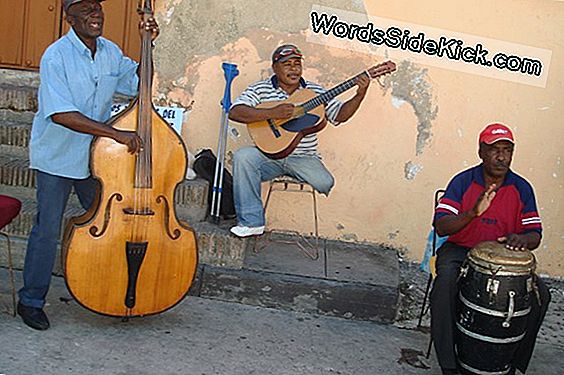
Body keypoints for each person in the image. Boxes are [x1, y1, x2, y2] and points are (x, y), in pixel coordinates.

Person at [17, 0, 159, 330]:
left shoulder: (110, 51)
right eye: (85, 10)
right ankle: (31, 301)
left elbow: (141, 84)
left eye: (97, 8)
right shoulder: (56, 55)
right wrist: (115, 133)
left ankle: (107, 292)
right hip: (57, 156)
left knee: (107, 226)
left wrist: (147, 45)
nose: (95, 15)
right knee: (47, 230)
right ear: (69, 18)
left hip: (96, 159)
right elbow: (61, 113)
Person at [228, 44, 385, 237]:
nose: (294, 69)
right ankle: (252, 222)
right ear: (275, 67)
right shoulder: (260, 89)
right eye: (287, 64)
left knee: (325, 183)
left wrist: (360, 94)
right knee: (243, 157)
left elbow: (340, 116)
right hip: (267, 156)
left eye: (297, 64)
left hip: (304, 158)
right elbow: (235, 111)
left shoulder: (315, 91)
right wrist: (271, 113)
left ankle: (294, 171)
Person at [431, 123, 551, 374]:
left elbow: (535, 235)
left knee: (541, 294)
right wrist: (473, 213)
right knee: (444, 286)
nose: (501, 156)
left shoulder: (522, 188)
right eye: (494, 149)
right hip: (460, 251)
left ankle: (513, 362)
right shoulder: (463, 181)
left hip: (503, 261)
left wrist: (522, 239)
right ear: (481, 151)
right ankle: (449, 365)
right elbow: (442, 226)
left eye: (507, 150)